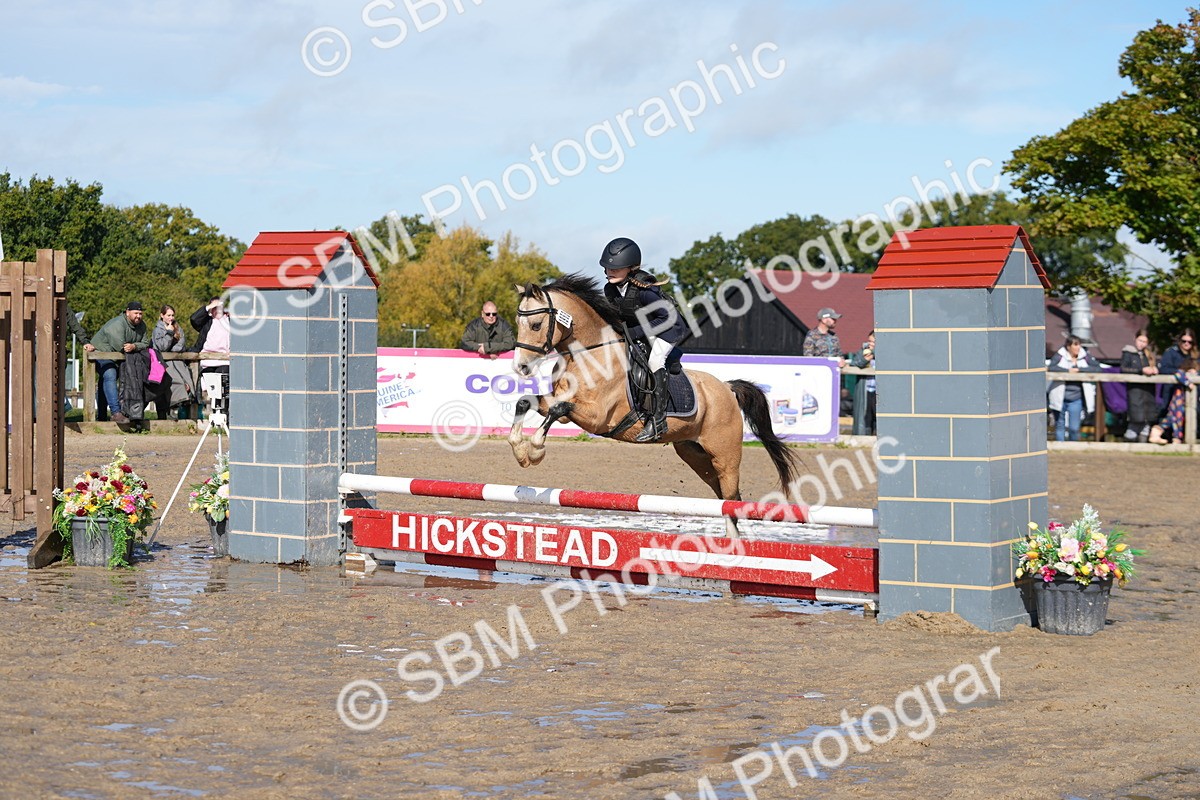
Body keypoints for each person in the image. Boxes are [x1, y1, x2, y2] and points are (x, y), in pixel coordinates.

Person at [600, 236, 686, 442]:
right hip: (642, 329)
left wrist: (635, 333)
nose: (610, 271)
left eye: (616, 268)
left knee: (655, 360)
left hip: (668, 329)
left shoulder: (645, 291)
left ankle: (658, 421)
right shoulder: (610, 289)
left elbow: (668, 317)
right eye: (608, 268)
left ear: (630, 268)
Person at [89, 301, 151, 424]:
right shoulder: (118, 324)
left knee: (104, 382)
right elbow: (121, 347)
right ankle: (116, 412)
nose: (138, 316)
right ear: (127, 312)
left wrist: (134, 346)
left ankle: (101, 416)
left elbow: (145, 343)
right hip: (101, 353)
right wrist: (132, 347)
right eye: (135, 313)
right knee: (110, 375)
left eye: (140, 313)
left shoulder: (142, 325)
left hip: (118, 357)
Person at [1048, 335, 1103, 441]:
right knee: (1060, 425)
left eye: (1079, 345)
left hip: (1076, 398)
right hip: (1059, 396)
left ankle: (1073, 446)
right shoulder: (1060, 355)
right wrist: (1068, 371)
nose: (1078, 348)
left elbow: (1097, 368)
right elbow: (1052, 367)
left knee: (1074, 427)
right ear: (1068, 346)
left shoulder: (1085, 356)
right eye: (1075, 345)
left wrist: (1080, 370)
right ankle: (1060, 447)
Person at [1149, 329, 1199, 444]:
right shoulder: (1171, 352)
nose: (1186, 344)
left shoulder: (1195, 356)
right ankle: (1163, 433)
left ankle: (1172, 437)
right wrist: (1184, 375)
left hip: (1189, 394)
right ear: (1179, 341)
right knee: (1174, 413)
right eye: (1184, 341)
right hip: (1172, 392)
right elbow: (1165, 369)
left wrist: (1194, 373)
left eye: (1189, 342)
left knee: (1180, 414)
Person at [152, 305, 196, 420]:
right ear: (162, 316)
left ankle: (182, 413)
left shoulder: (178, 328)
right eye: (168, 315)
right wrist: (169, 334)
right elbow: (162, 347)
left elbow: (180, 346)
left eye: (172, 315)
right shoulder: (157, 330)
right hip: (165, 364)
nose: (171, 318)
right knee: (173, 384)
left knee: (188, 385)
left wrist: (169, 346)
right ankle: (170, 412)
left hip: (179, 363)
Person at [1120, 328, 1158, 442]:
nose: (1142, 344)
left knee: (1146, 422)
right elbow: (1123, 369)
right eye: (1140, 340)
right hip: (1135, 391)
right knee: (1135, 421)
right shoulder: (1128, 353)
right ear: (1135, 339)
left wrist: (1154, 369)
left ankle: (1143, 447)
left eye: (1144, 342)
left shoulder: (1149, 355)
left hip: (1148, 392)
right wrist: (1141, 370)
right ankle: (1128, 446)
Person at [191, 298, 230, 402]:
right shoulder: (207, 322)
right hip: (207, 361)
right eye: (214, 308)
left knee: (223, 389)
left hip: (224, 360)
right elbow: (194, 319)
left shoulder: (229, 320)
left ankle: (224, 413)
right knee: (212, 389)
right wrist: (209, 306)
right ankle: (215, 412)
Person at [849, 331, 877, 435]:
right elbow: (854, 363)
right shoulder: (863, 351)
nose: (869, 344)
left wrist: (874, 352)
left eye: (872, 341)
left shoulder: (885, 352)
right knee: (866, 417)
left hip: (879, 392)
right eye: (869, 341)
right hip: (866, 390)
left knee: (877, 416)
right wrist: (865, 360)